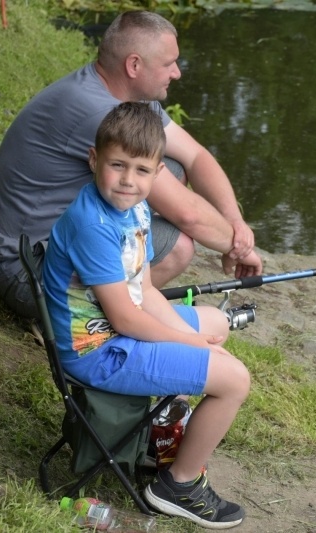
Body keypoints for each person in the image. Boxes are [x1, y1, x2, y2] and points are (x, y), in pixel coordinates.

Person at [43, 102, 249, 529]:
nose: (127, 180)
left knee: (215, 323)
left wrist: (198, 337)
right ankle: (179, 485)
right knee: (234, 380)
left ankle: (162, 431)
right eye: (117, 165)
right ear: (94, 159)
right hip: (98, 350)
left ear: (158, 174)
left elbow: (146, 290)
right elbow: (126, 321)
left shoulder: (132, 210)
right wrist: (194, 345)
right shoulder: (94, 225)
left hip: (118, 329)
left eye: (140, 170)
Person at [0, 10, 262, 320]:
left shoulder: (128, 100)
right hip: (27, 275)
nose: (177, 73)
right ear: (134, 65)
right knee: (178, 244)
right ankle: (91, 321)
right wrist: (240, 247)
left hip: (59, 243)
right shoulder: (97, 111)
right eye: (169, 64)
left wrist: (235, 222)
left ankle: (114, 302)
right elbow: (188, 214)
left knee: (169, 167)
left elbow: (196, 156)